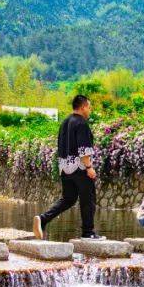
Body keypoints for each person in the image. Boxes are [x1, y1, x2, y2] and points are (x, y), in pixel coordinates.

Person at [33, 94, 103, 240]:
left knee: (69, 199)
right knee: (88, 198)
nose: (89, 110)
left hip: (65, 167)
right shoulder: (82, 123)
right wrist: (89, 167)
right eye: (89, 107)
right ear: (83, 107)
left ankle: (43, 219)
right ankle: (88, 232)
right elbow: (83, 149)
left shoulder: (65, 122)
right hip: (79, 167)